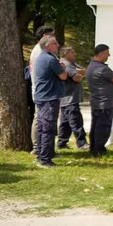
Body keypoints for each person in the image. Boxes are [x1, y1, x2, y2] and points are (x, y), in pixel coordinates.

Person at [32, 35, 68, 167]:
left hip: (42, 96)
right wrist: (63, 68)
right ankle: (45, 159)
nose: (57, 45)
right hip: (49, 97)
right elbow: (63, 76)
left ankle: (43, 154)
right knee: (48, 128)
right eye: (55, 43)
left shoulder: (40, 57)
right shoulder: (50, 59)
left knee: (42, 128)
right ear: (47, 45)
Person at [85, 44, 113, 155]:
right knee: (103, 126)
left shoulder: (92, 66)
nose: (109, 55)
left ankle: (94, 147)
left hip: (97, 101)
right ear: (101, 54)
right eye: (107, 53)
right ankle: (99, 149)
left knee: (96, 125)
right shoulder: (101, 68)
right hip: (105, 102)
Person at [57, 46, 86, 151]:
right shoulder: (66, 64)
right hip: (69, 99)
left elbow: (83, 70)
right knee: (76, 121)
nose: (75, 54)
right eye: (72, 52)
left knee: (65, 124)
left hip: (67, 100)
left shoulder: (72, 64)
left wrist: (80, 72)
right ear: (65, 53)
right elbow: (77, 78)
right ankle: (82, 143)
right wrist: (79, 74)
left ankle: (62, 143)